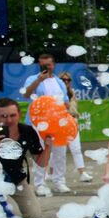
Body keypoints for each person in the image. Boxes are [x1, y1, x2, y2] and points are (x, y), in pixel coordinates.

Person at [19, 52, 69, 195]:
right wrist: (38, 81)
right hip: (39, 122)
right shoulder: (33, 79)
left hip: (58, 122)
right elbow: (26, 94)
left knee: (60, 153)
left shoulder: (59, 82)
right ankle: (40, 183)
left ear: (53, 65)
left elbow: (65, 101)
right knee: (41, 153)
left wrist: (69, 117)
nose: (45, 67)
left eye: (48, 64)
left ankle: (59, 181)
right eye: (42, 65)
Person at [56, 72, 94, 185]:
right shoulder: (56, 93)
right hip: (60, 123)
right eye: (63, 79)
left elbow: (74, 108)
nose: (66, 82)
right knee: (57, 152)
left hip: (72, 121)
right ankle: (54, 173)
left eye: (68, 80)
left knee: (76, 149)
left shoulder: (72, 92)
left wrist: (75, 117)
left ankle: (82, 173)